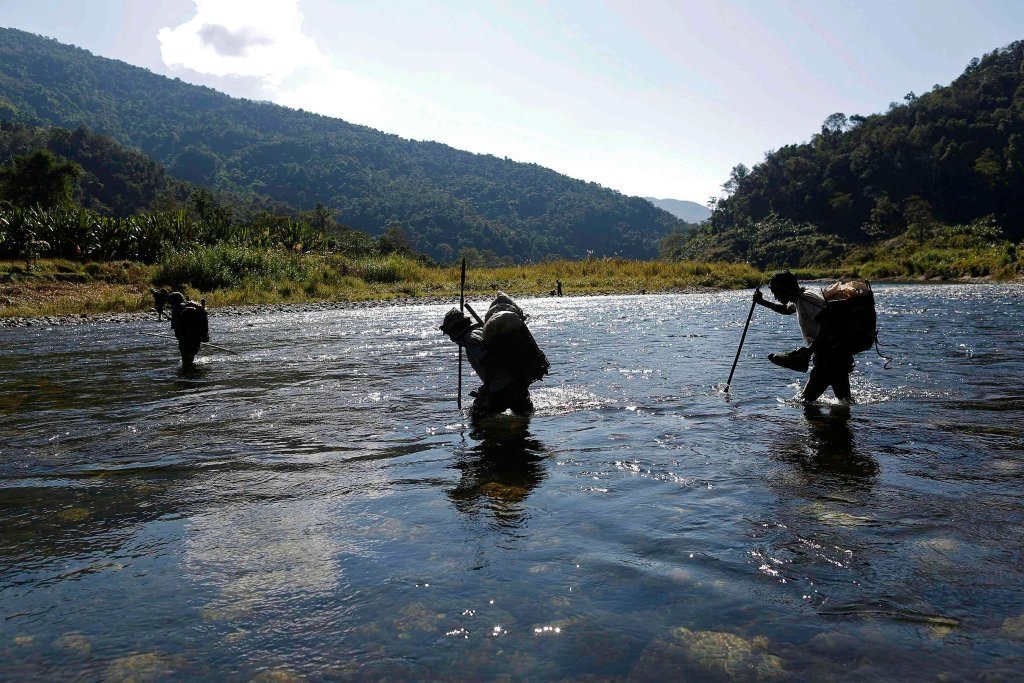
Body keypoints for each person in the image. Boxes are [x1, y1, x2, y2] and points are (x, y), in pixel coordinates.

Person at [441, 293, 549, 418]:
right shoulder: (481, 331)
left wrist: (485, 390)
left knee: (476, 417)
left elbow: (490, 362)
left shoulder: (470, 339)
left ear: (453, 331)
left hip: (502, 389)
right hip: (518, 384)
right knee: (523, 420)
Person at [753, 271, 853, 402]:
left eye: (776, 293)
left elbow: (827, 322)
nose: (776, 298)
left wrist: (810, 349)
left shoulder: (807, 299)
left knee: (805, 401)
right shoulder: (800, 297)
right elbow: (787, 310)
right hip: (837, 354)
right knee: (845, 400)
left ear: (785, 289)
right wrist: (762, 302)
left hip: (829, 356)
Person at [167, 291, 209, 369]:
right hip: (196, 338)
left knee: (185, 361)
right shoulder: (194, 307)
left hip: (185, 339)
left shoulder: (176, 309)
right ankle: (192, 373)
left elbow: (175, 327)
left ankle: (187, 375)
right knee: (191, 357)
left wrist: (179, 337)